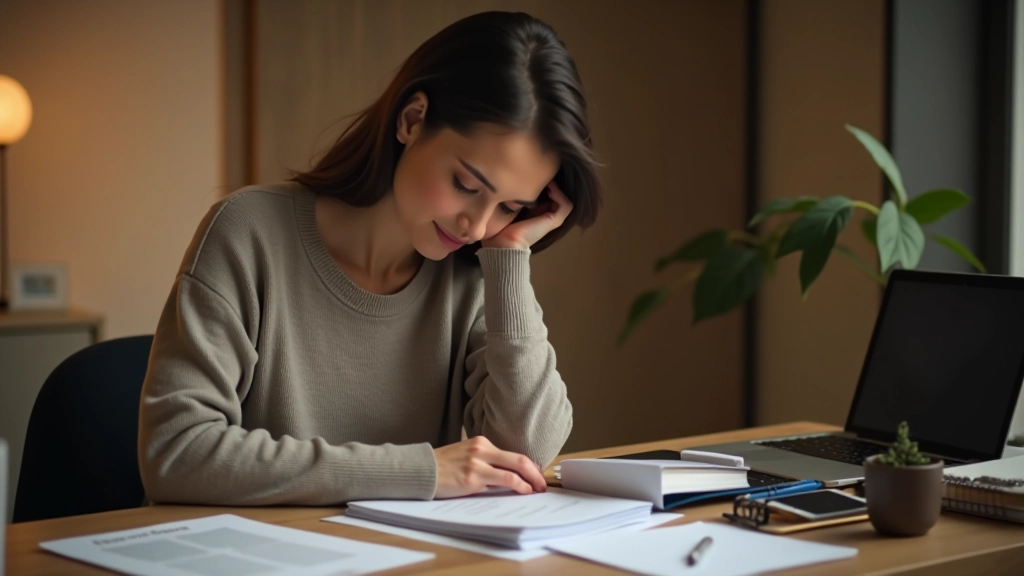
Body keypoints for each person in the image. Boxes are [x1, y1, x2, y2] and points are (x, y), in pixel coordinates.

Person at [137, 10, 600, 506]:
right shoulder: (247, 232)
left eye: (509, 205)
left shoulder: (475, 269)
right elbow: (177, 451)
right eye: (466, 184)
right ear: (412, 120)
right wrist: (416, 471)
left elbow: (523, 454)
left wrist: (509, 258)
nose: (478, 225)